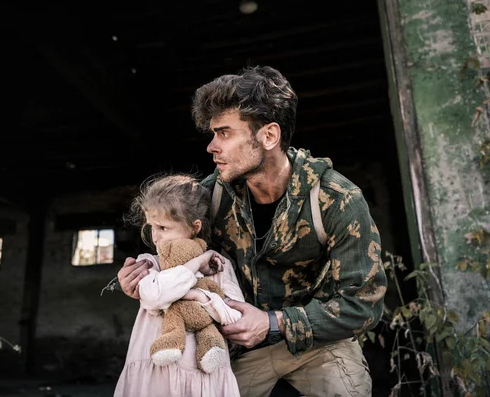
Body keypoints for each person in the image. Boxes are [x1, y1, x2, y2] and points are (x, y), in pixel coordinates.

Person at [117, 65, 388, 397]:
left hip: (319, 344)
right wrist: (145, 275)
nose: (211, 146)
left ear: (269, 136)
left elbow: (364, 303)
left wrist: (273, 323)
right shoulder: (211, 197)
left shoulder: (337, 199)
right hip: (237, 348)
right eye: (213, 134)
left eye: (225, 133)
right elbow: (166, 239)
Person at [114, 173, 245, 397]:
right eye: (151, 227)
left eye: (163, 228)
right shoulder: (148, 263)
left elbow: (235, 317)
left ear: (194, 227)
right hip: (155, 376)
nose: (155, 237)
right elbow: (155, 296)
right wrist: (197, 263)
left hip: (205, 378)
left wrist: (200, 297)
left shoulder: (220, 267)